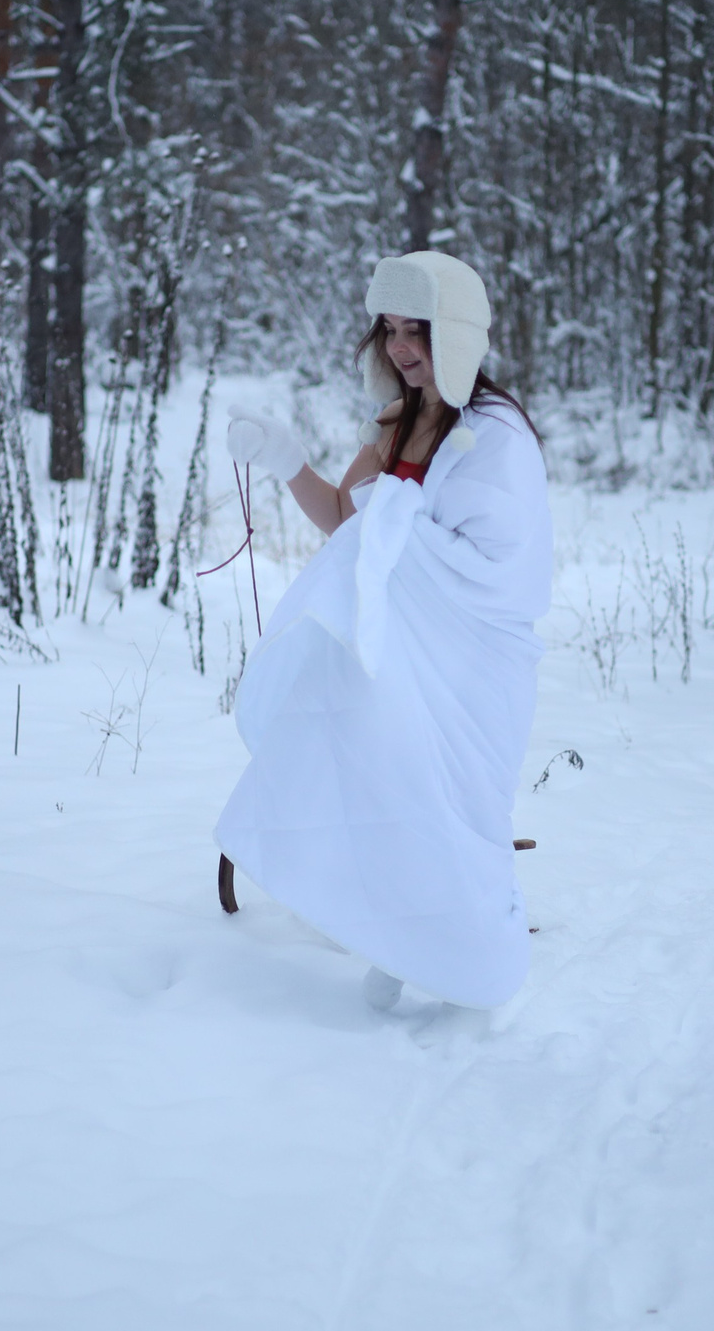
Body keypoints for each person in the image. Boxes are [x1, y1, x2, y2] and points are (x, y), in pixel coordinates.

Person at [216, 251, 552, 1011]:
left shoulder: (498, 436)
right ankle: (395, 937)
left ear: (458, 335)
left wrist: (406, 529)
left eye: (419, 332)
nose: (401, 348)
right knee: (387, 786)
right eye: (390, 330)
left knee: (459, 809)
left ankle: (473, 956)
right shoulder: (399, 421)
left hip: (473, 665)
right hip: (394, 653)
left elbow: (505, 570)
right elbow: (346, 520)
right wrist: (287, 459)